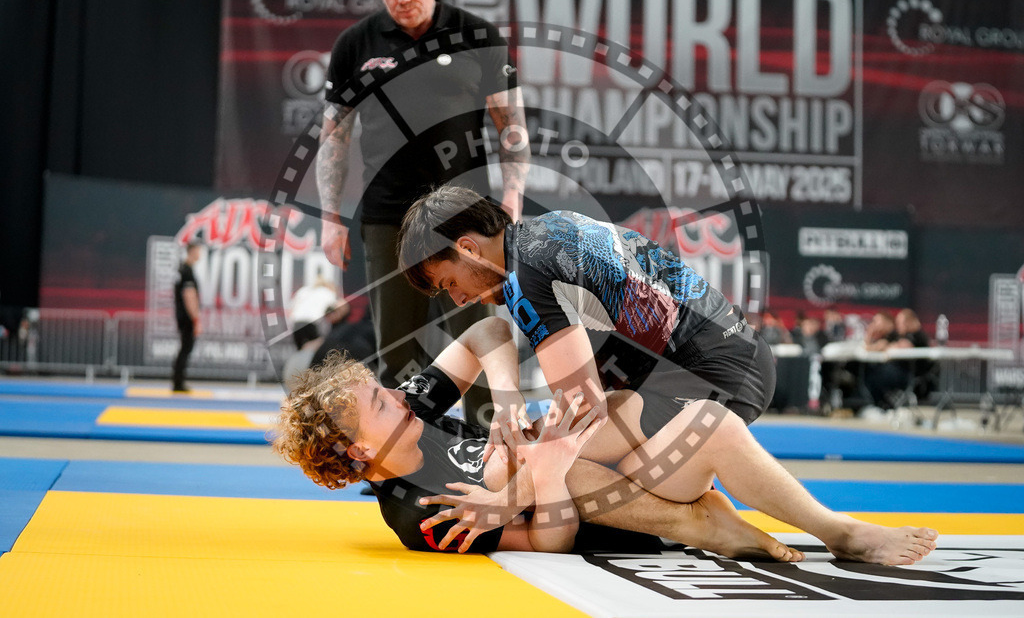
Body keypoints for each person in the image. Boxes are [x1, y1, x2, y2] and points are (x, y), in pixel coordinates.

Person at [274, 317, 937, 564]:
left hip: (602, 464)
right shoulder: (415, 511)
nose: (395, 392)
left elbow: (489, 334)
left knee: (713, 422)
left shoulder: (415, 408)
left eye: (381, 386)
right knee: (527, 464)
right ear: (360, 452)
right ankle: (700, 523)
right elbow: (547, 539)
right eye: (376, 403)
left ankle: (835, 530)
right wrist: (545, 468)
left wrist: (506, 400)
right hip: (605, 507)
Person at [314, 0, 530, 425]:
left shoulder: (478, 35)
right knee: (397, 349)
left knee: (480, 336)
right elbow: (335, 140)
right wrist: (331, 219)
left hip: (467, 221)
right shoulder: (355, 46)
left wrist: (513, 194)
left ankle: (488, 447)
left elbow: (510, 124)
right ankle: (406, 458)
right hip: (388, 217)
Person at [397, 185, 775, 438]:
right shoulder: (547, 226)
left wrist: (518, 433)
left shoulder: (522, 280)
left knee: (553, 467)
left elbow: (583, 406)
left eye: (449, 283)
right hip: (742, 355)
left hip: (716, 383)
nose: (459, 299)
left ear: (467, 249)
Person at [864, 309, 933, 409]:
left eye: (900, 323)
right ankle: (882, 405)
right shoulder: (900, 336)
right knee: (870, 371)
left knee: (875, 375)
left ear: (909, 322)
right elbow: (878, 346)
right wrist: (871, 334)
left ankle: (883, 405)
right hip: (899, 371)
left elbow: (903, 346)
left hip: (911, 376)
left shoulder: (918, 335)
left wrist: (887, 347)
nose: (898, 326)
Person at [172, 241, 202, 392]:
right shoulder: (187, 271)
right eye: (198, 250)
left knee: (184, 348)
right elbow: (189, 296)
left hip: (182, 315)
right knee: (186, 348)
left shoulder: (182, 270)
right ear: (192, 251)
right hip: (186, 317)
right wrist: (196, 319)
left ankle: (178, 381)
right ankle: (178, 382)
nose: (200, 254)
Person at [287, 275, 340, 350]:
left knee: (300, 351)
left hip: (296, 324)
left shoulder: (304, 290)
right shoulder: (328, 293)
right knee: (314, 351)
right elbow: (335, 307)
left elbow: (291, 307)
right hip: (311, 324)